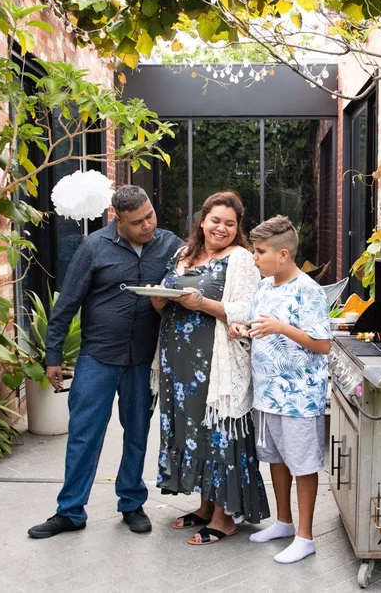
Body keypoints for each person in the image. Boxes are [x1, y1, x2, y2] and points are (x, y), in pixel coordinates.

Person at [28, 185, 183, 539]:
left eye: (150, 216)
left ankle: (131, 502)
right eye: (137, 222)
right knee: (84, 435)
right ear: (118, 221)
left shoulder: (170, 245)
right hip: (97, 357)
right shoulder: (94, 247)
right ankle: (69, 511)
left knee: (138, 433)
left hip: (143, 359)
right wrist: (53, 355)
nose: (148, 226)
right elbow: (67, 302)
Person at [151, 191, 270, 546]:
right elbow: (168, 305)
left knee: (217, 431)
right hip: (178, 364)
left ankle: (224, 518)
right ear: (201, 221)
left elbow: (245, 311)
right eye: (215, 220)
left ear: (238, 229)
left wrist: (202, 303)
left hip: (215, 361)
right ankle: (205, 508)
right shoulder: (182, 255)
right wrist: (159, 300)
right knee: (193, 432)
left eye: (230, 224)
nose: (221, 228)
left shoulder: (242, 260)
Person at [230, 215, 331, 563]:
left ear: (283, 254)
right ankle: (283, 522)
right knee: (275, 459)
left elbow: (322, 344)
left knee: (302, 465)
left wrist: (281, 328)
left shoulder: (309, 291)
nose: (254, 258)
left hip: (299, 398)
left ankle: (306, 536)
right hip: (267, 394)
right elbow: (264, 327)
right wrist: (244, 330)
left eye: (259, 252)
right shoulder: (265, 286)